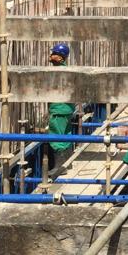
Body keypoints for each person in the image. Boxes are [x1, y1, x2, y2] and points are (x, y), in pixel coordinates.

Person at [45, 43, 76, 172]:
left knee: (56, 137)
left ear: (60, 57)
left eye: (54, 54)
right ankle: (68, 163)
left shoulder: (56, 72)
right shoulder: (67, 70)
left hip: (59, 109)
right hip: (67, 109)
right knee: (66, 135)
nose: (51, 56)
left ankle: (60, 167)